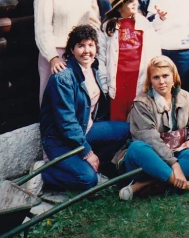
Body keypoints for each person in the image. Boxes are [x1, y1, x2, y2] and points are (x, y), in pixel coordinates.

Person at [40, 25, 129, 191]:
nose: (86, 50)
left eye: (90, 45)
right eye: (80, 46)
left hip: (84, 130)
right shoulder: (63, 78)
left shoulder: (92, 70)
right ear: (72, 50)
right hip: (59, 140)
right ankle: (44, 173)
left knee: (126, 130)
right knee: (87, 180)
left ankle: (93, 166)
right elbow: (66, 124)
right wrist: (88, 153)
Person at [120, 56, 189, 200]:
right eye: (156, 77)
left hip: (174, 152)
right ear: (150, 81)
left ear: (174, 77)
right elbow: (150, 139)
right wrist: (174, 165)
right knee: (137, 147)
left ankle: (143, 185)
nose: (161, 81)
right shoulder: (142, 103)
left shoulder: (185, 96)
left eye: (165, 76)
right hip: (149, 158)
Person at [34, 0, 100, 105]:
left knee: (82, 98)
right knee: (55, 101)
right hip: (57, 53)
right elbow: (42, 28)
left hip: (82, 52)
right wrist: (53, 57)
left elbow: (94, 20)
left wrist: (91, 48)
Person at [97, 0, 161, 122]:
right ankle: (120, 141)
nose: (135, 3)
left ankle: (136, 141)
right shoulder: (108, 26)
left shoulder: (144, 23)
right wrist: (104, 81)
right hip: (117, 78)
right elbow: (101, 56)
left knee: (138, 112)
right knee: (118, 115)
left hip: (139, 75)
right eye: (129, 1)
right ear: (119, 7)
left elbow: (155, 50)